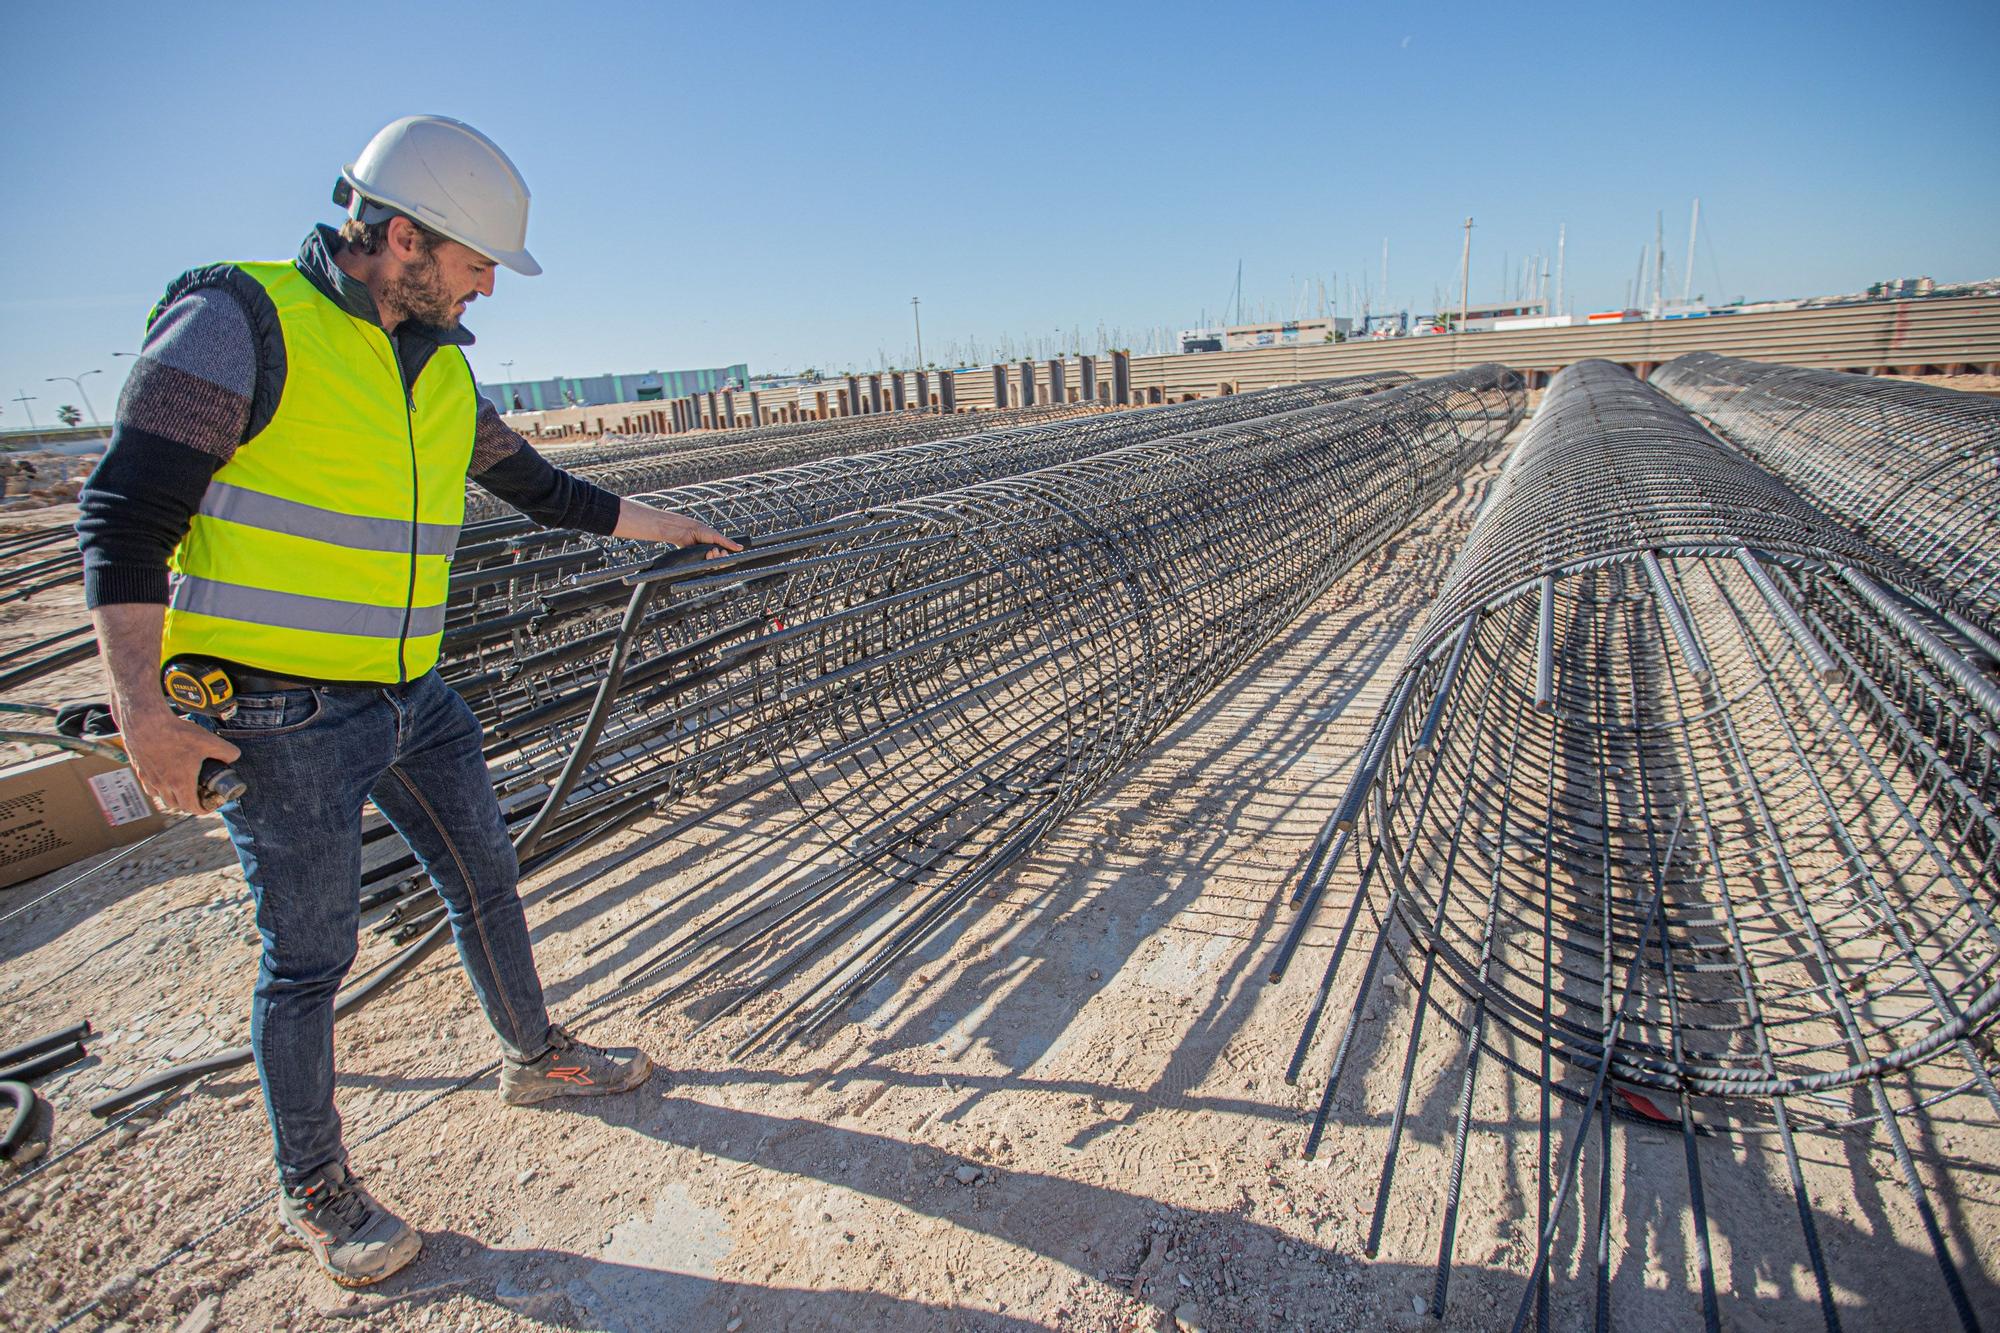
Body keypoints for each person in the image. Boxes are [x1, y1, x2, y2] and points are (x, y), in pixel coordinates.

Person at [74, 114, 740, 1288]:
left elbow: (535, 486)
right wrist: (140, 711)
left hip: (409, 693)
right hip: (274, 714)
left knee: (485, 874)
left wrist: (662, 523)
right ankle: (318, 1186)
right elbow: (124, 516)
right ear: (397, 236)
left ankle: (535, 1055)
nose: (489, 285)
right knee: (309, 954)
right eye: (477, 262)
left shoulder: (439, 364)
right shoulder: (239, 321)